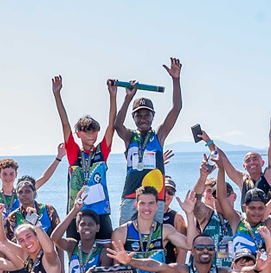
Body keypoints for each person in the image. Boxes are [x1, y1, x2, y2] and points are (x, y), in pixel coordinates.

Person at [109, 62, 183, 225]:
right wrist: (128, 98)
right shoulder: (129, 136)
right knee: (126, 234)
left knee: (153, 235)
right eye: (139, 115)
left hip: (155, 197)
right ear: (133, 117)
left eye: (146, 115)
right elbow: (117, 125)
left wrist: (175, 79)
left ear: (153, 116)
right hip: (131, 196)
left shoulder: (159, 135)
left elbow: (176, 108)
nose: (143, 119)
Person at [52, 75, 118, 238]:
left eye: (94, 131)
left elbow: (111, 125)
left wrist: (113, 96)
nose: (91, 135)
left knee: (106, 246)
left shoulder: (102, 151)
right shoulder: (74, 152)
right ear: (79, 134)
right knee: (73, 247)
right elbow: (65, 124)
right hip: (77, 211)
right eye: (87, 131)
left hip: (100, 210)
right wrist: (57, 94)